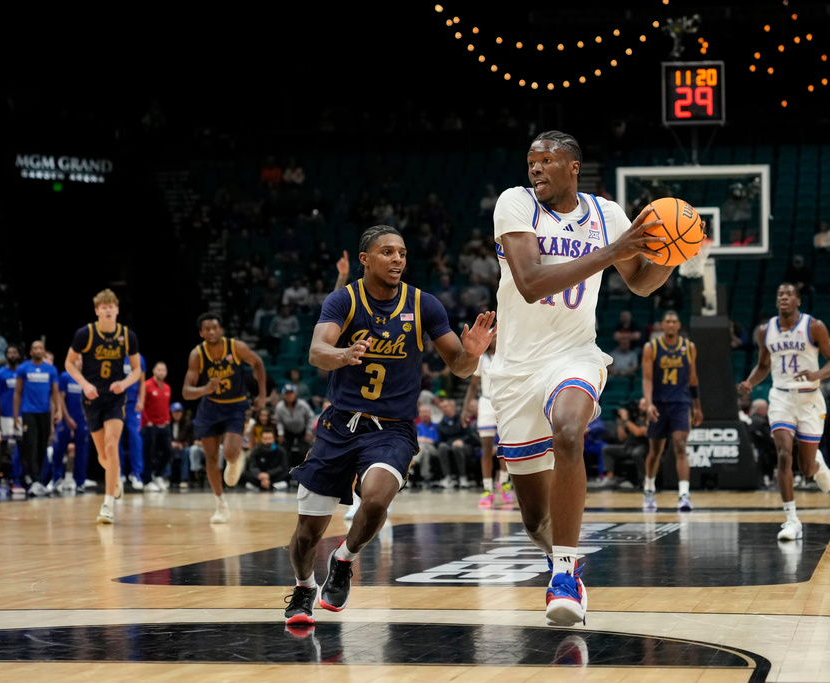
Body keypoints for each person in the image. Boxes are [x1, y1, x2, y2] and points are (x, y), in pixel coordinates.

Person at [489, 130, 682, 626]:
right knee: (535, 519)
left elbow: (639, 281)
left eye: (547, 160)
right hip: (514, 369)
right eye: (531, 160)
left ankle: (566, 573)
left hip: (573, 355)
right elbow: (530, 284)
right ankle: (559, 557)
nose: (535, 168)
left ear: (573, 167)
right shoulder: (515, 204)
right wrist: (611, 250)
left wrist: (673, 256)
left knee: (570, 430)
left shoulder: (607, 214)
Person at [283, 224, 495, 627]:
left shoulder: (424, 304)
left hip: (392, 428)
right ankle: (304, 585)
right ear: (365, 259)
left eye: (401, 252)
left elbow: (460, 366)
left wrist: (472, 354)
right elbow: (316, 351)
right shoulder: (343, 299)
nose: (397, 259)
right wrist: (341, 354)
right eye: (387, 252)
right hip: (339, 425)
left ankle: (344, 559)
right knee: (307, 534)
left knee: (376, 499)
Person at [738, 283, 830, 541]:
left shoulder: (814, 326)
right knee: (784, 455)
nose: (783, 297)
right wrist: (751, 381)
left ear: (798, 301)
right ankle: (792, 520)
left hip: (809, 400)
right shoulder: (766, 331)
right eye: (779, 295)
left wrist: (816, 374)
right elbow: (763, 365)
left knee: (805, 469)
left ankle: (817, 464)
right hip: (781, 398)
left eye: (788, 294)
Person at [64, 289, 144, 523]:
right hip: (91, 398)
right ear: (97, 310)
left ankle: (107, 504)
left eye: (112, 306)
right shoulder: (85, 334)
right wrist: (84, 383)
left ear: (117, 309)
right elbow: (69, 363)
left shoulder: (128, 336)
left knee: (111, 446)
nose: (108, 310)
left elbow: (138, 369)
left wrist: (125, 382)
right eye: (104, 307)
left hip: (115, 398)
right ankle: (114, 476)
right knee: (102, 455)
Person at [182, 312, 267, 523]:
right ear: (201, 333)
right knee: (210, 458)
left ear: (220, 330)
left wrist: (262, 394)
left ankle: (234, 460)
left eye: (215, 328)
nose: (211, 332)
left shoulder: (236, 347)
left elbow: (257, 364)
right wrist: (205, 389)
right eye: (207, 329)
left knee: (229, 452)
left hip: (236, 406)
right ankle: (221, 505)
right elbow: (186, 391)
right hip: (210, 407)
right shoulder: (197, 355)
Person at [641, 310, 703, 512]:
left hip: (680, 403)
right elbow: (648, 378)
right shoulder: (651, 347)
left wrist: (697, 406)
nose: (670, 324)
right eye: (666, 321)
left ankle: (684, 495)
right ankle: (649, 489)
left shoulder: (688, 347)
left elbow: (693, 378)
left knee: (680, 445)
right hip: (659, 402)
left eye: (673, 321)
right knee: (655, 451)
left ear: (678, 325)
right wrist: (649, 403)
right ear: (661, 325)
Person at [462, 334, 512, 507]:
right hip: (486, 403)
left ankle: (504, 483)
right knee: (486, 448)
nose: (497, 340)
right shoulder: (482, 359)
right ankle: (487, 489)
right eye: (494, 337)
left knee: (505, 446)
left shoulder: (509, 357)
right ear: (490, 340)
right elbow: (473, 385)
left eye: (499, 337)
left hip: (505, 403)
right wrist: (465, 408)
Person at [13, 340, 63, 497]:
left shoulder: (51, 369)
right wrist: (16, 415)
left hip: (45, 412)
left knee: (43, 445)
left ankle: (39, 480)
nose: (37, 350)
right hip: (28, 412)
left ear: (44, 351)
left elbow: (55, 393)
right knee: (31, 445)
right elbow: (18, 392)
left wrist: (59, 410)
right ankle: (33, 480)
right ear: (30, 352)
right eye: (34, 348)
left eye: (40, 348)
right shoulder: (23, 368)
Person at [49, 355, 90, 493]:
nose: (81, 362)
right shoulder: (65, 376)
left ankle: (80, 482)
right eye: (78, 359)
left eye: (83, 359)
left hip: (82, 419)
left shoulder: (88, 378)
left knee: (82, 452)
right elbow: (60, 399)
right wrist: (67, 418)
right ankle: (57, 479)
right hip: (67, 418)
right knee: (59, 449)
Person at [141, 361, 173, 492]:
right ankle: (147, 480)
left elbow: (166, 406)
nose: (162, 372)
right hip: (150, 425)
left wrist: (168, 419)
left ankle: (158, 475)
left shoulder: (167, 387)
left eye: (164, 370)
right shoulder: (146, 385)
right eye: (159, 370)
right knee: (148, 453)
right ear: (154, 371)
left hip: (163, 425)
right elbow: (141, 405)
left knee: (168, 451)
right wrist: (147, 421)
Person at [118, 353, 147, 491]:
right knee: (115, 437)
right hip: (116, 403)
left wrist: (141, 400)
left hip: (132, 404)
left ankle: (136, 474)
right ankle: (118, 472)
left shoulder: (138, 358)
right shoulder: (113, 354)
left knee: (135, 437)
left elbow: (142, 382)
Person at [0, 345, 23, 493]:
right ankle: (3, 479)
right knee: (4, 449)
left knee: (21, 449)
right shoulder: (1, 373)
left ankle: (16, 480)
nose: (12, 355)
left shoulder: (22, 373)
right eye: (10, 352)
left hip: (21, 416)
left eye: (15, 352)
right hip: (4, 416)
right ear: (6, 355)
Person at [275, 383, 316, 468]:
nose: (289, 396)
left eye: (291, 393)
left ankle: (302, 469)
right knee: (283, 450)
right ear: (284, 395)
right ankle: (286, 470)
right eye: (287, 394)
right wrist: (280, 433)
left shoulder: (302, 405)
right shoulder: (279, 407)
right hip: (287, 431)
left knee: (303, 451)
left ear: (295, 394)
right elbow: (278, 421)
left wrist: (308, 432)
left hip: (302, 430)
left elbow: (311, 417)